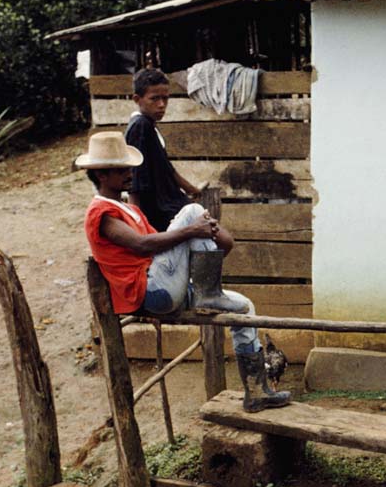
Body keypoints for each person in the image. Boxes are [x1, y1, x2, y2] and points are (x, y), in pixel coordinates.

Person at [80, 130, 291, 412]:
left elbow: (162, 245)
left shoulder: (129, 208)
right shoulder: (101, 212)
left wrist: (206, 234)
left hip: (164, 283)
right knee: (191, 211)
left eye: (128, 166)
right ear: (102, 175)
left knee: (244, 308)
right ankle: (207, 293)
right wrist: (195, 229)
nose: (129, 173)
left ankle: (256, 392)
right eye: (121, 168)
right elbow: (143, 246)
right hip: (150, 291)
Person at [125, 67, 202, 232]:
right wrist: (137, 225)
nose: (162, 105)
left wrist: (191, 189)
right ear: (137, 99)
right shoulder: (140, 126)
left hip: (169, 206)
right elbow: (136, 178)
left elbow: (166, 168)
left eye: (165, 99)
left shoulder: (148, 125)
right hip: (161, 213)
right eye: (154, 99)